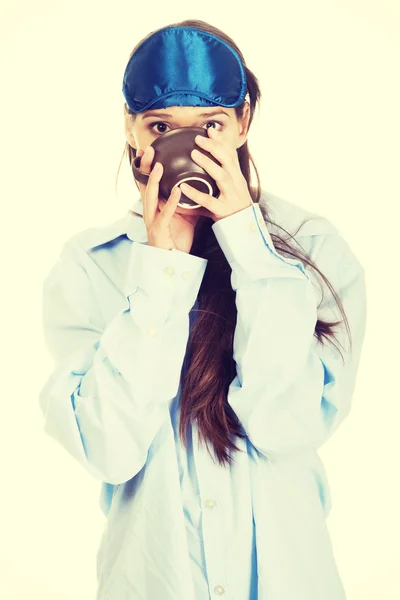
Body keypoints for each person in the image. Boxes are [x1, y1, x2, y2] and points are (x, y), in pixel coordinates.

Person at [39, 19, 367, 600]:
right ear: (132, 130)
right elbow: (108, 448)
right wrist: (161, 275)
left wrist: (248, 243)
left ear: (242, 123)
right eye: (161, 126)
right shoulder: (93, 264)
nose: (186, 147)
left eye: (209, 126)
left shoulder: (312, 251)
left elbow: (287, 424)